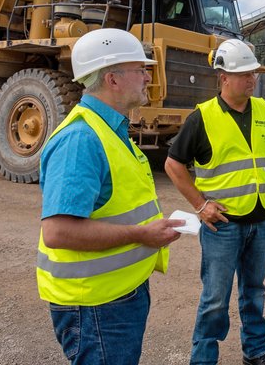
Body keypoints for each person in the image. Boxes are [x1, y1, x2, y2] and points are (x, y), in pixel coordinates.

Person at [37, 28, 184, 365]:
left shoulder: (110, 130)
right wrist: (141, 234)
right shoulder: (81, 140)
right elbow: (58, 232)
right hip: (96, 305)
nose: (148, 77)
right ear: (113, 79)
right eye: (141, 69)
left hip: (116, 294)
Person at [165, 38, 265, 365]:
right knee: (215, 300)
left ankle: (256, 353)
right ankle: (203, 359)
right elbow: (173, 165)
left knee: (254, 292)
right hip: (222, 226)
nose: (252, 80)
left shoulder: (262, 108)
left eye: (254, 74)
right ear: (224, 78)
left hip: (261, 220)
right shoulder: (202, 118)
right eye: (245, 74)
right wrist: (200, 204)